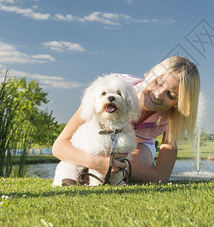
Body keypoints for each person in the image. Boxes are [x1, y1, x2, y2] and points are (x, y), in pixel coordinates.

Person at [52, 56, 200, 183]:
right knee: (91, 152)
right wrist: (98, 163)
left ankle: (109, 175)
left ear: (178, 103)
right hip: (98, 142)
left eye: (171, 95)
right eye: (159, 82)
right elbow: (59, 147)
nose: (158, 94)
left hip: (138, 145)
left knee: (134, 161)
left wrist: (121, 168)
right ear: (151, 74)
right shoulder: (116, 88)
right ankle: (87, 173)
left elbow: (160, 177)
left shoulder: (173, 119)